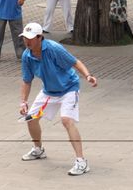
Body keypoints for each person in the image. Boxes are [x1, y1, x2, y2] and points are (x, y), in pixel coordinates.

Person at [18, 22, 97, 176]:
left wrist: (88, 76)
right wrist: (23, 101)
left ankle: (81, 162)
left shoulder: (53, 48)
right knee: (31, 118)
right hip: (49, 92)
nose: (27, 41)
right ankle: (38, 149)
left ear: (40, 38)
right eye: (24, 38)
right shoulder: (27, 56)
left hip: (69, 89)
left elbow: (75, 62)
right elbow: (27, 80)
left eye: (30, 38)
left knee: (66, 120)